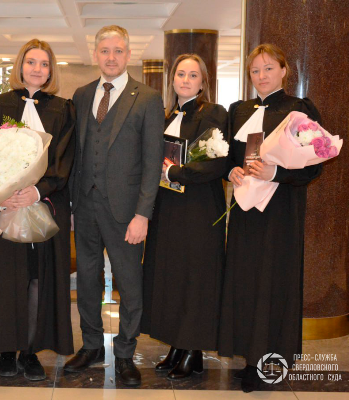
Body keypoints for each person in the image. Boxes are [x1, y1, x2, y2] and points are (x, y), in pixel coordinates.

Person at [0, 39, 75, 381]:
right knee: (4, 278)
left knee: (36, 276)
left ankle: (30, 351)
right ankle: (6, 348)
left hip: (45, 204)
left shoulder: (63, 109)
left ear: (51, 70)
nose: (37, 69)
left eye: (44, 64)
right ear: (20, 65)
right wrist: (3, 194)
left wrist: (36, 190)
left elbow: (65, 159)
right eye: (31, 62)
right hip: (3, 205)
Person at [218, 43, 322, 393]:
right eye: (255, 70)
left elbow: (314, 165)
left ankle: (267, 362)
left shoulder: (298, 109)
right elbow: (229, 157)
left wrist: (276, 173)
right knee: (245, 280)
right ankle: (248, 355)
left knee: (272, 282)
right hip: (246, 210)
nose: (261, 76)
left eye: (268, 68)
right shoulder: (239, 110)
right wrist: (231, 170)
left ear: (283, 70)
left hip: (280, 213)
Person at [66, 25, 164, 386]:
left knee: (129, 282)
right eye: (105, 51)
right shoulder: (81, 95)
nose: (111, 57)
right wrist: (71, 204)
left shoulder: (148, 98)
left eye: (118, 51)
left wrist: (143, 214)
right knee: (87, 280)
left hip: (126, 211)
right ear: (95, 54)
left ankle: (124, 352)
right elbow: (76, 152)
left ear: (128, 54)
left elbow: (153, 162)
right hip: (85, 205)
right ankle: (91, 345)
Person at [141, 54, 228, 380]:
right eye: (181, 74)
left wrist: (175, 172)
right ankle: (177, 345)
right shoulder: (166, 116)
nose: (186, 80)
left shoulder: (212, 113)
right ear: (172, 79)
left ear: (203, 82)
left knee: (195, 278)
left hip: (198, 210)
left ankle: (193, 349)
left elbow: (214, 163)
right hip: (167, 210)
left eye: (193, 75)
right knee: (172, 277)